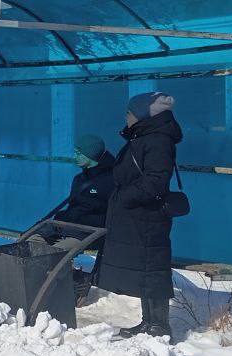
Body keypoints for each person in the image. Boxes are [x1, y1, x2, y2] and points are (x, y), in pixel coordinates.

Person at [96, 92, 182, 338]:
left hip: (148, 216)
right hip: (140, 215)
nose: (126, 116)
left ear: (142, 114)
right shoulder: (146, 137)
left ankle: (159, 326)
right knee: (146, 270)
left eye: (129, 112)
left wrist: (124, 198)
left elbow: (156, 181)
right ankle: (149, 322)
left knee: (152, 270)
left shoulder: (157, 140)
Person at [55, 133, 116, 232]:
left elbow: (107, 215)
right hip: (71, 227)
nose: (74, 156)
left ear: (91, 154)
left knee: (59, 246)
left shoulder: (111, 180)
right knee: (34, 239)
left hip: (90, 233)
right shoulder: (79, 179)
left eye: (78, 153)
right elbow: (73, 207)